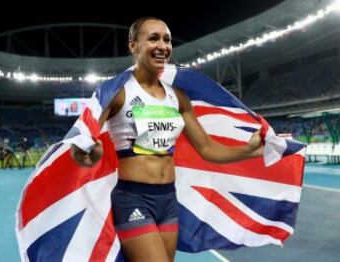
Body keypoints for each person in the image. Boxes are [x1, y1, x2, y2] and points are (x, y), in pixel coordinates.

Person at [71, 17, 263, 262]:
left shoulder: (178, 98)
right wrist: (89, 156)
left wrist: (249, 149)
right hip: (133, 198)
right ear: (133, 46)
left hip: (168, 200)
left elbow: (207, 148)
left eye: (167, 39)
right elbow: (80, 147)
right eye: (153, 38)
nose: (162, 45)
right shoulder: (116, 92)